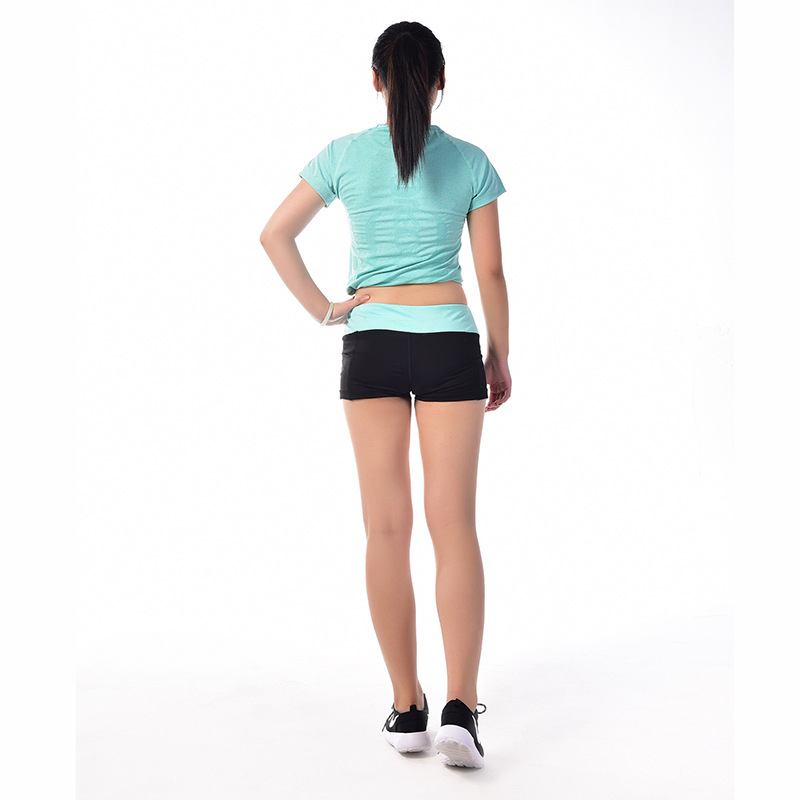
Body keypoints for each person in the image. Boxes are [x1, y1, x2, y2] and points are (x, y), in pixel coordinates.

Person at [259, 20, 511, 769]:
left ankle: (407, 709)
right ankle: (461, 709)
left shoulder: (343, 154)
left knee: (386, 529)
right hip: (448, 343)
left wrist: (328, 309)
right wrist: (499, 354)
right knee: (454, 526)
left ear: (376, 80)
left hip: (369, 342)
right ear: (440, 82)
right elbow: (490, 273)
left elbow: (275, 234)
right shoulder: (471, 161)